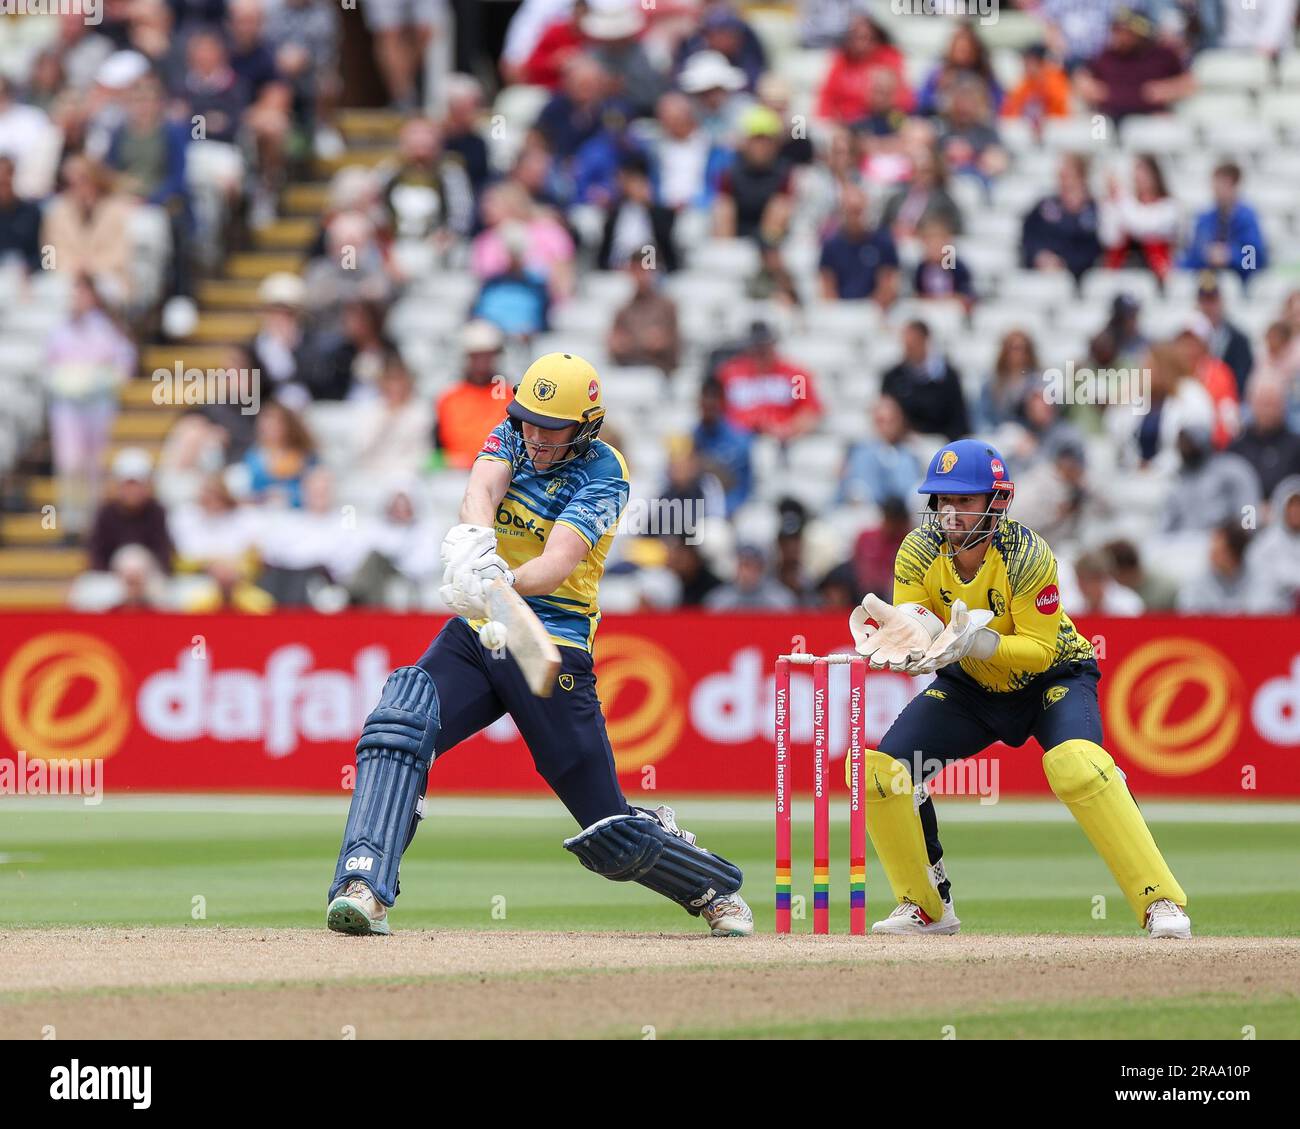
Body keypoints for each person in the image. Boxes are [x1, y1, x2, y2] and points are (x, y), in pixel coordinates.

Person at [326, 353, 753, 937]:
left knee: (608, 829)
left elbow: (555, 564)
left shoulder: (606, 472)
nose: (534, 435)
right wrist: (477, 544)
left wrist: (497, 579)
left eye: (550, 426)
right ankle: (364, 884)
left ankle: (709, 884)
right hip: (481, 629)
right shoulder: (515, 435)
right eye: (526, 419)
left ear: (586, 425)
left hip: (547, 643)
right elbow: (481, 487)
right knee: (398, 723)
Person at [849, 438, 1191, 939]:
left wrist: (978, 643)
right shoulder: (919, 550)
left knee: (1077, 765)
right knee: (882, 772)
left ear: (997, 502)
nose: (949, 513)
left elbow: (1039, 650)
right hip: (971, 688)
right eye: (943, 501)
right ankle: (927, 906)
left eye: (963, 501)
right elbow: (917, 625)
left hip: (1053, 679)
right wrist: (910, 644)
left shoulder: (1029, 554)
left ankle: (1159, 901)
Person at [1076, 7, 1194, 123]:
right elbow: (1082, 78)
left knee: (1163, 131)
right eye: (1116, 30)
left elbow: (1188, 83)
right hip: (1109, 116)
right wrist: (1093, 89)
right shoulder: (1105, 56)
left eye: (1125, 31)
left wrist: (1167, 90)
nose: (1119, 36)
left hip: (1150, 117)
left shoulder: (1162, 55)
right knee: (1095, 131)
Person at [714, 320, 823, 440]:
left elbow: (808, 411)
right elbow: (715, 411)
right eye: (756, 346)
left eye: (764, 345)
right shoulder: (728, 374)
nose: (760, 351)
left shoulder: (795, 376)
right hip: (738, 440)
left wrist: (788, 429)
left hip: (782, 440)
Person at [434, 320, 511, 469]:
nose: (482, 362)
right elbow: (437, 449)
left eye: (487, 355)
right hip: (453, 474)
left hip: (497, 470)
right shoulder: (448, 397)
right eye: (476, 356)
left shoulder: (509, 396)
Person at [1180, 161, 1268, 285]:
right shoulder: (1205, 219)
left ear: (1234, 185)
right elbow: (1193, 255)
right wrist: (1206, 255)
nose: (1216, 188)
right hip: (1207, 286)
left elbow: (1254, 260)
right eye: (1215, 183)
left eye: (1222, 183)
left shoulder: (1247, 218)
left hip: (1241, 285)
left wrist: (1230, 256)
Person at [88, 448, 174, 574]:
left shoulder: (158, 513)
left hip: (150, 578)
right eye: (128, 485)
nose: (133, 491)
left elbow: (164, 552)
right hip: (112, 578)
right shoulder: (105, 514)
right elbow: (96, 553)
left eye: (137, 485)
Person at [881, 320, 970, 441]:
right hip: (905, 443)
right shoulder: (893, 377)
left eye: (913, 344)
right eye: (906, 345)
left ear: (925, 341)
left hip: (940, 442)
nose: (909, 350)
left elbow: (958, 418)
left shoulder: (947, 377)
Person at [1020, 153, 1101, 280]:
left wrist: (1063, 263)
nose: (1063, 179)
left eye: (1068, 174)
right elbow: (1029, 236)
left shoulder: (1093, 211)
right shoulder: (1045, 206)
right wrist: (1039, 255)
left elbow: (1093, 250)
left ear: (1080, 176)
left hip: (1075, 279)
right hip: (1041, 273)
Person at [1099, 154, 1178, 279]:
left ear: (1156, 176)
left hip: (1157, 273)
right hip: (1125, 268)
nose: (1140, 180)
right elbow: (1110, 238)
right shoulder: (1128, 205)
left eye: (1145, 175)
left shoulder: (1169, 207)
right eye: (1137, 176)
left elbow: (1144, 227)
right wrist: (1112, 204)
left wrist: (1120, 198)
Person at [818, 182, 899, 304]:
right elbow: (827, 287)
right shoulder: (830, 246)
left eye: (858, 211)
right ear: (841, 212)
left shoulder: (883, 243)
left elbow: (887, 286)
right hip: (840, 311)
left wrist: (868, 310)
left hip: (873, 310)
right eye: (850, 211)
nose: (854, 217)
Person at [836, 395, 924, 506]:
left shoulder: (910, 453)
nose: (886, 427)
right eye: (881, 421)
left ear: (900, 421)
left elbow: (912, 491)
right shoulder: (858, 452)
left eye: (891, 421)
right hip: (866, 511)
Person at [607, 258, 680, 375]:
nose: (640, 276)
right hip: (627, 372)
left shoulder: (667, 307)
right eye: (635, 270)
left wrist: (631, 343)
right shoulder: (623, 309)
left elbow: (669, 345)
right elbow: (615, 346)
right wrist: (644, 342)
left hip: (660, 375)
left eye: (644, 271)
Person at [1231, 379, 1300, 500]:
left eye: (1273, 403)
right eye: (1263, 403)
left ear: (1283, 405)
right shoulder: (1236, 449)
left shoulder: (1296, 447)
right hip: (1246, 514)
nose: (1268, 410)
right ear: (1250, 403)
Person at [1195, 274, 1252, 397]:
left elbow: (1243, 379)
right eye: (1204, 301)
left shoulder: (1239, 340)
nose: (1208, 307)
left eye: (1212, 301)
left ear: (1221, 302)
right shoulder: (1189, 339)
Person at [704, 543, 795, 610]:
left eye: (755, 566)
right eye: (745, 565)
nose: (748, 572)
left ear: (762, 569)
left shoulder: (780, 598)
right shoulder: (719, 599)